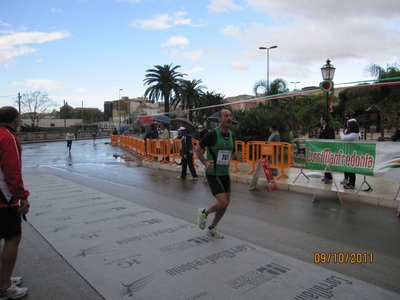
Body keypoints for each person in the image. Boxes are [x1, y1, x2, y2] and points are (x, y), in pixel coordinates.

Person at [194, 108, 243, 239]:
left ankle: (212, 228)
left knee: (225, 204)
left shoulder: (232, 135)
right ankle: (204, 212)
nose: (229, 118)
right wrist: (205, 162)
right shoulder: (212, 134)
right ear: (219, 119)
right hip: (213, 173)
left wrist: (235, 156)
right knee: (223, 203)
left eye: (230, 116)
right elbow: (197, 149)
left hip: (224, 174)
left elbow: (228, 152)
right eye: (226, 116)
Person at [0, 106, 30, 299]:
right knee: (12, 238)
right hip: (4, 199)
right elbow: (12, 170)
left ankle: (4, 278)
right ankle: (4, 287)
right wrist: (21, 195)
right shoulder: (8, 138)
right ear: (16, 119)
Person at [339, 119, 361, 189]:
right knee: (349, 168)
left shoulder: (354, 135)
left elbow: (344, 138)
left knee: (352, 170)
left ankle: (352, 184)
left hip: (353, 153)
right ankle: (349, 181)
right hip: (350, 153)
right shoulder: (353, 134)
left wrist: (341, 132)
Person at [317, 115, 335, 184]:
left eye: (321, 120)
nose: (320, 121)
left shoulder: (329, 128)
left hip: (327, 148)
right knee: (324, 163)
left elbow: (331, 138)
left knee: (327, 163)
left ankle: (329, 177)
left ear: (324, 121)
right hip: (322, 148)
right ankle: (326, 176)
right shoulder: (322, 128)